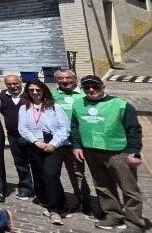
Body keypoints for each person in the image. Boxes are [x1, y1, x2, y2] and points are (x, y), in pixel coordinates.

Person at [71, 75, 144, 232]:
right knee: (103, 187)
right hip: (91, 152)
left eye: (95, 86)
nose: (91, 90)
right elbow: (75, 127)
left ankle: (134, 223)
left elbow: (134, 130)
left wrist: (134, 152)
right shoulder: (78, 104)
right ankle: (113, 216)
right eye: (87, 87)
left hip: (118, 153)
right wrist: (76, 145)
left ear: (103, 87)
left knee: (129, 189)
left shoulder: (121, 105)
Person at [17, 79, 69, 226]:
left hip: (54, 143)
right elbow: (23, 128)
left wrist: (53, 144)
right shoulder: (24, 108)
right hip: (35, 144)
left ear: (44, 90)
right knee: (39, 174)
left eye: (37, 90)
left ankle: (54, 210)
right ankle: (57, 201)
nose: (35, 93)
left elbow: (64, 128)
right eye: (31, 90)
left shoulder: (54, 107)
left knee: (50, 174)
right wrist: (35, 142)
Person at [52, 69, 92, 214]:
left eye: (68, 78)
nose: (64, 81)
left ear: (75, 78)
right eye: (60, 79)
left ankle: (86, 201)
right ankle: (75, 200)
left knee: (78, 173)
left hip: (80, 141)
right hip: (59, 141)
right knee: (67, 172)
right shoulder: (52, 95)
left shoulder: (84, 94)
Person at [0, 74, 34, 201]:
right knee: (20, 162)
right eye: (9, 84)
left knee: (36, 163)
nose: (12, 86)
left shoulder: (30, 93)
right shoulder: (2, 95)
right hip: (13, 134)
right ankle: (26, 188)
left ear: (20, 82)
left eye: (15, 83)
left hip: (31, 135)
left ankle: (41, 189)